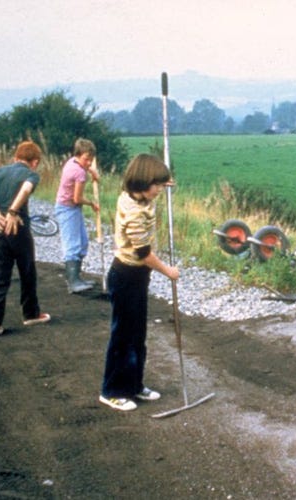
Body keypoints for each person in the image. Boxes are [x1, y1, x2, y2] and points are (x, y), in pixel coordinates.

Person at [99, 154, 179, 411]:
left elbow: (150, 192)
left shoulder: (138, 196)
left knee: (137, 335)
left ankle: (133, 385)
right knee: (122, 336)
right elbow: (143, 253)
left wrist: (163, 182)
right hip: (125, 276)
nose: (160, 190)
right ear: (144, 182)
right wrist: (168, 271)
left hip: (137, 276)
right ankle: (111, 391)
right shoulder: (133, 211)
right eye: (157, 185)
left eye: (162, 185)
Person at [0, 140, 51, 335]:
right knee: (27, 271)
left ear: (16, 158)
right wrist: (13, 211)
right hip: (18, 227)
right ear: (35, 162)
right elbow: (26, 189)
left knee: (0, 275)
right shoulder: (31, 174)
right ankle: (30, 314)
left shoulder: (0, 171)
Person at [54, 138, 100, 293]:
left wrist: (92, 171)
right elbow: (77, 198)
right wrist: (92, 203)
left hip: (72, 208)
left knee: (83, 242)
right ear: (78, 155)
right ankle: (73, 282)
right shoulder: (79, 172)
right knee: (73, 245)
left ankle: (77, 278)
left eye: (91, 159)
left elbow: (83, 166)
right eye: (86, 159)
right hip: (67, 209)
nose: (89, 162)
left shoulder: (72, 162)